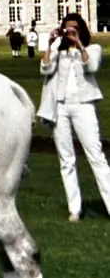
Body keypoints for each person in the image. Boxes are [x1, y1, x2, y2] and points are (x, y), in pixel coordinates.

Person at [40, 12, 110, 222]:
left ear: (81, 31)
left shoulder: (92, 49)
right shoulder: (58, 53)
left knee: (96, 156)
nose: (70, 33)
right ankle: (75, 209)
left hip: (83, 105)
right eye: (67, 29)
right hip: (60, 107)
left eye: (74, 29)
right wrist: (50, 44)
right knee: (66, 160)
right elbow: (44, 69)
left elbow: (92, 66)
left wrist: (79, 45)